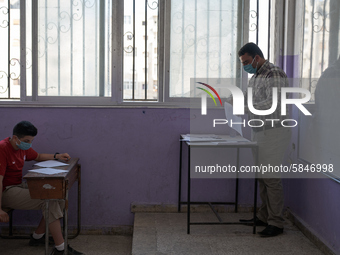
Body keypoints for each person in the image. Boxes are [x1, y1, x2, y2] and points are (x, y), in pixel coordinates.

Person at [0, 121, 84, 254]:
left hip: (18, 186)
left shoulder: (22, 147)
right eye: (26, 140)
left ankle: (37, 237)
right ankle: (61, 249)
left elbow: (37, 156)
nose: (28, 144)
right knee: (47, 200)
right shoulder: (2, 149)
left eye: (31, 141)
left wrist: (57, 156)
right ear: (15, 138)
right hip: (5, 191)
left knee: (57, 196)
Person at [237, 43, 292, 237]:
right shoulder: (255, 77)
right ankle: (263, 216)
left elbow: (273, 103)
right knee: (261, 177)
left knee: (271, 178)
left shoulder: (273, 74)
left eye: (246, 62)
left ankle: (276, 223)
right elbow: (246, 99)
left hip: (274, 132)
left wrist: (247, 108)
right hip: (259, 132)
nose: (245, 66)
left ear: (256, 58)